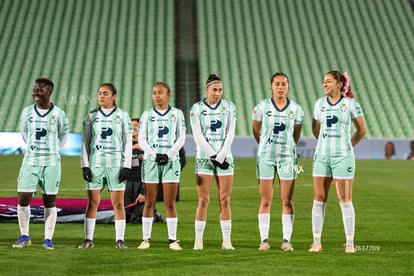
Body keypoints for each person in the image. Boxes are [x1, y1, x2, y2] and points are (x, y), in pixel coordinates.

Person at [310, 71, 366, 253]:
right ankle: (316, 243)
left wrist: (348, 145)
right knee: (319, 198)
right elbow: (315, 129)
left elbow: (361, 130)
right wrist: (323, 144)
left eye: (328, 81)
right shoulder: (319, 104)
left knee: (345, 199)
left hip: (343, 157)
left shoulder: (350, 104)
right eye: (323, 81)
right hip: (321, 156)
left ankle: (350, 244)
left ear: (339, 84)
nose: (324, 84)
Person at [13, 78, 69, 249]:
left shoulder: (59, 113)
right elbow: (24, 131)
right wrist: (33, 148)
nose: (36, 92)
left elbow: (64, 135)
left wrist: (53, 150)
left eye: (40, 90)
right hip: (30, 159)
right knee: (23, 198)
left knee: (49, 200)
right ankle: (24, 236)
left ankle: (48, 238)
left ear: (49, 92)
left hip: (51, 162)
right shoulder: (27, 112)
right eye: (35, 89)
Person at [251, 72, 304, 251]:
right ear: (271, 86)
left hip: (288, 158)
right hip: (266, 157)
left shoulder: (296, 109)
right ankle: (264, 240)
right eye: (277, 84)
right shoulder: (262, 107)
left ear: (288, 87)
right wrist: (265, 145)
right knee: (266, 199)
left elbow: (297, 133)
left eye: (283, 84)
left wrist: (288, 148)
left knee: (287, 200)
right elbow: (255, 129)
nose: (280, 87)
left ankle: (286, 240)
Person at [79, 83, 132, 249]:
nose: (101, 96)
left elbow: (128, 142)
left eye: (105, 93)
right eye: (99, 93)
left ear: (114, 96)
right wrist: (85, 165)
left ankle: (120, 239)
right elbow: (85, 142)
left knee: (118, 203)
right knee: (92, 202)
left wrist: (127, 165)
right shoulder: (91, 116)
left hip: (116, 164)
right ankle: (88, 239)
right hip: (96, 163)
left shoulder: (123, 115)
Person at [137, 82, 186, 250]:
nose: (157, 95)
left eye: (160, 92)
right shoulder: (147, 115)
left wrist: (168, 154)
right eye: (154, 93)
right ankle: (145, 239)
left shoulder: (177, 114)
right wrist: (154, 155)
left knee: (169, 202)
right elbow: (142, 139)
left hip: (171, 162)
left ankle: (173, 240)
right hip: (151, 162)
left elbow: (181, 137)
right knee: (149, 201)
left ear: (168, 95)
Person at [190, 74, 237, 250]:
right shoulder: (196, 108)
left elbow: (230, 132)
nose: (217, 93)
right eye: (214, 89)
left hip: (225, 157)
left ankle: (226, 241)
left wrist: (222, 155)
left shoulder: (230, 107)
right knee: (203, 200)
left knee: (225, 199)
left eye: (220, 90)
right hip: (204, 158)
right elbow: (197, 135)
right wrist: (213, 155)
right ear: (206, 90)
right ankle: (198, 241)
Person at [124, 118, 163, 223]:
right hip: (127, 181)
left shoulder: (148, 145)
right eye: (131, 126)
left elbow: (151, 167)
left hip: (141, 181)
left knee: (141, 213)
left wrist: (143, 191)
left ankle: (156, 215)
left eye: (136, 125)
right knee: (126, 214)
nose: (134, 128)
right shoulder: (124, 144)